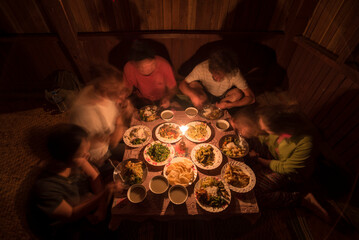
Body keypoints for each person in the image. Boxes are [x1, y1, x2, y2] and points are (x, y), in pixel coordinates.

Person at [230, 105, 330, 222]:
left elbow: (286, 168)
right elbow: (258, 133)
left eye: (266, 129)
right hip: (273, 156)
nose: (262, 129)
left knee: (256, 193)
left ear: (280, 129)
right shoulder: (272, 121)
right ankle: (259, 169)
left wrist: (258, 159)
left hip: (292, 174)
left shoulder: (305, 142)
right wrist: (244, 129)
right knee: (245, 145)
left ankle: (301, 198)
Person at [29, 124, 123, 239]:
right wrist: (104, 193)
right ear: (65, 159)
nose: (87, 156)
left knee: (118, 176)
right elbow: (71, 215)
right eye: (82, 154)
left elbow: (94, 175)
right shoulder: (46, 188)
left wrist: (101, 207)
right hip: (70, 225)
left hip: (86, 199)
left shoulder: (73, 160)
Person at [69, 64, 134, 167]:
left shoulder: (96, 87)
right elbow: (113, 142)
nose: (123, 96)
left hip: (111, 134)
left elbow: (115, 102)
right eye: (120, 92)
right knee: (136, 154)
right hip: (100, 152)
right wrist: (121, 117)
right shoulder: (89, 114)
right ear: (106, 92)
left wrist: (121, 104)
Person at [179, 48, 255, 110]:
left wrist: (231, 105)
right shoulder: (202, 67)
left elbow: (251, 98)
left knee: (238, 94)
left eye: (221, 76)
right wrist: (193, 95)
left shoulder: (234, 73)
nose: (217, 79)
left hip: (224, 96)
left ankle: (221, 106)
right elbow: (182, 84)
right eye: (213, 74)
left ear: (227, 71)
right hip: (206, 93)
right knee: (193, 85)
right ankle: (204, 109)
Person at [123, 39, 178, 109]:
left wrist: (167, 98)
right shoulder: (129, 67)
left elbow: (173, 88)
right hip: (142, 100)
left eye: (152, 65)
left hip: (163, 98)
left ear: (154, 59)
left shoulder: (164, 65)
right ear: (135, 64)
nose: (147, 70)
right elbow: (127, 89)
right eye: (142, 68)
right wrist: (123, 98)